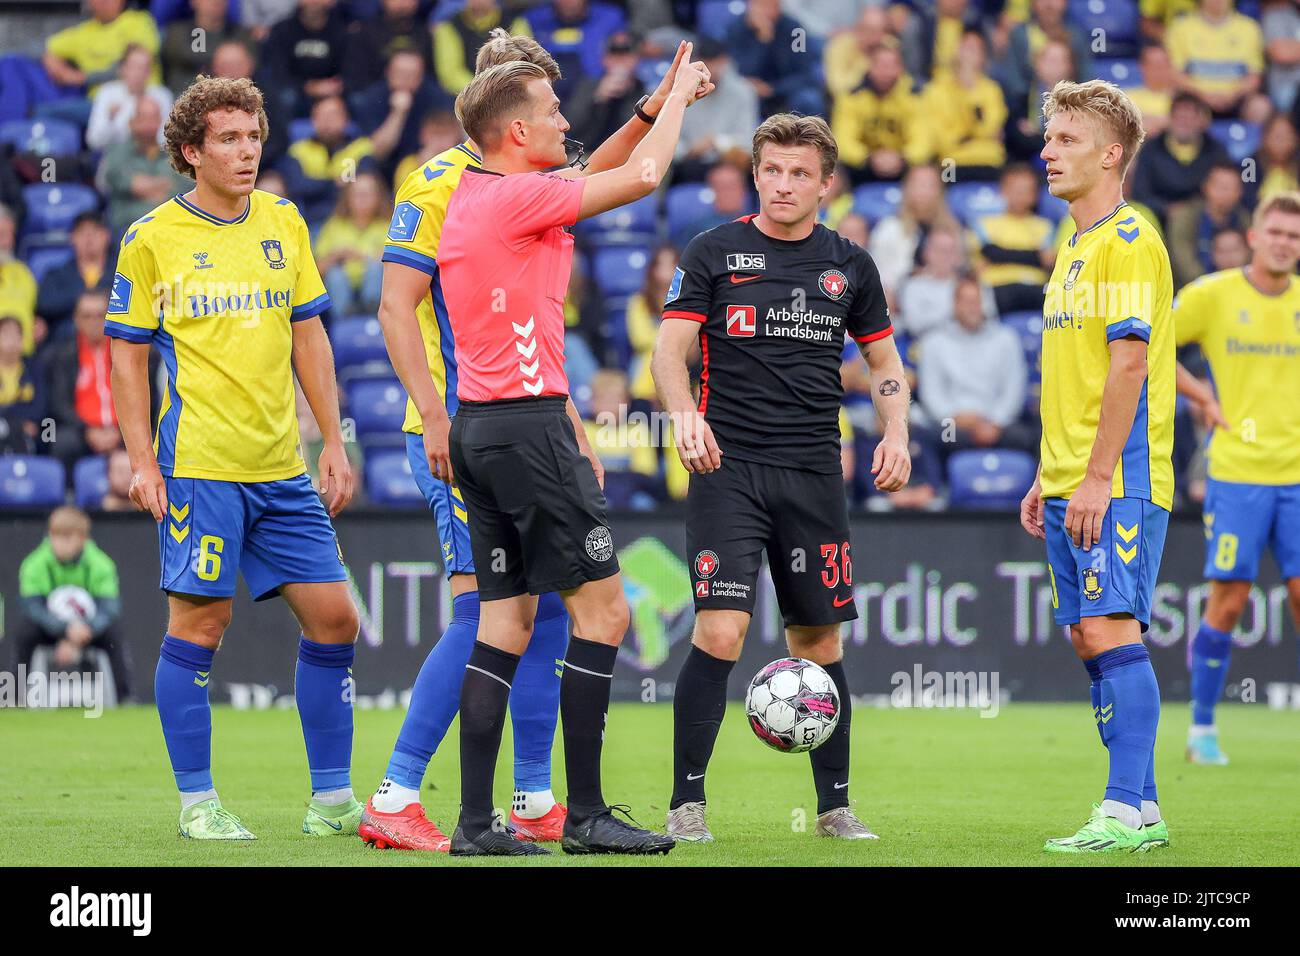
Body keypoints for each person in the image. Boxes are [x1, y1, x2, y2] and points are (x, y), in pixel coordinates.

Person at [369, 33, 710, 855]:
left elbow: (595, 170)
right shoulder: (501, 193)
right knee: (605, 609)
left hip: (491, 424)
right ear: (513, 127)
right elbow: (643, 177)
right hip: (515, 429)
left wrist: (655, 107)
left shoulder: (486, 188)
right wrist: (675, 113)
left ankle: (483, 820)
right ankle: (580, 814)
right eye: (552, 108)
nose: (566, 120)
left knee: (506, 624)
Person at [105, 75, 360, 841]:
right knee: (200, 627)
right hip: (200, 466)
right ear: (191, 152)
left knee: (337, 619)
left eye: (253, 137)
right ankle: (197, 805)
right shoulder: (151, 237)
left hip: (281, 466)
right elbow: (124, 358)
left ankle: (331, 802)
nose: (246, 152)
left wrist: (334, 440)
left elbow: (309, 335)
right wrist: (142, 461)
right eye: (228, 139)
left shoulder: (284, 220)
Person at [651, 114, 910, 843]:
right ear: (757, 173)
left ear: (826, 183)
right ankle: (686, 804)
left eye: (800, 173)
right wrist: (682, 417)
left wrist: (897, 432)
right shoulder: (714, 250)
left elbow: (885, 365)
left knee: (819, 646)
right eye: (772, 170)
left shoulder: (850, 265)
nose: (783, 184)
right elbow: (670, 353)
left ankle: (834, 808)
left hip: (813, 474)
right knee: (723, 630)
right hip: (726, 468)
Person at [1020, 78, 1175, 853]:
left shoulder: (1124, 240)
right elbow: (1077, 375)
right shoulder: (1074, 244)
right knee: (1089, 637)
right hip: (1072, 476)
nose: (1046, 151)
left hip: (1116, 481)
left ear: (1111, 154)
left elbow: (1128, 367)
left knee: (1111, 628)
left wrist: (1093, 476)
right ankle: (1142, 811)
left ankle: (1118, 809)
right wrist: (1048, 475)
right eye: (1048, 138)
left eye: (1066, 139)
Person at [1170, 192, 1300, 765]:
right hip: (1239, 472)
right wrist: (1201, 395)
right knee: (1228, 601)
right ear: (1253, 237)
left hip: (1296, 477)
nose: (1284, 243)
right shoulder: (1214, 295)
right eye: (1275, 232)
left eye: (1293, 237)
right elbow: (1148, 342)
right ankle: (1201, 729)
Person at [911, 274, 1032, 490]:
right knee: (930, 437)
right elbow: (932, 396)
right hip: (952, 423)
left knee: (1029, 436)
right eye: (966, 301)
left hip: (998, 423)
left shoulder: (1006, 339)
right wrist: (959, 418)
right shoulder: (933, 342)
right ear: (954, 304)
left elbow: (1014, 390)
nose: (972, 308)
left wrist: (993, 421)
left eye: (977, 301)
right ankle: (936, 495)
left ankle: (1034, 499)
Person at [15, 507, 133, 702]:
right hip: (51, 628)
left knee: (115, 635)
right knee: (25, 633)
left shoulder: (101, 564)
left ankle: (126, 698)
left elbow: (109, 608)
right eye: (55, 536)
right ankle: (15, 699)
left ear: (83, 539)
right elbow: (32, 607)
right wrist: (65, 629)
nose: (59, 544)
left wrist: (83, 632)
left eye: (67, 537)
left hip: (88, 629)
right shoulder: (34, 564)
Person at [96, 95, 190, 239]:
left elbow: (182, 187)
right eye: (144, 117)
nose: (149, 124)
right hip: (127, 229)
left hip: (168, 228)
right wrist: (159, 185)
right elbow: (113, 177)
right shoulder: (117, 151)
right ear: (132, 121)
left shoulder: (173, 153)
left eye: (153, 117)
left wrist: (145, 186)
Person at [48, 289, 122, 469]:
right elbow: (60, 403)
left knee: (154, 438)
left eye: (100, 315)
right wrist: (88, 430)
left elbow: (145, 396)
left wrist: (120, 430)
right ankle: (68, 495)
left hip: (124, 430)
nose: (94, 322)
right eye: (87, 316)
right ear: (76, 319)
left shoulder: (126, 352)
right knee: (61, 442)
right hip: (82, 431)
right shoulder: (63, 355)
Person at [975, 162, 1056, 314]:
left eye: (1027, 190)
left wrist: (1001, 254)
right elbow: (990, 253)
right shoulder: (986, 223)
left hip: (1035, 288)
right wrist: (1034, 256)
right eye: (1016, 190)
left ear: (1035, 194)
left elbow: (1048, 261)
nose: (1021, 195)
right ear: (1003, 190)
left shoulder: (1044, 226)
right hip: (998, 287)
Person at [314, 171, 389, 318]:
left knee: (376, 268)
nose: (362, 200)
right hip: (342, 295)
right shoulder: (334, 226)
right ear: (347, 198)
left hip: (376, 291)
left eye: (367, 194)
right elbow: (317, 269)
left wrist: (359, 255)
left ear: (378, 197)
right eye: (357, 194)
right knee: (335, 276)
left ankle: (372, 314)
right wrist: (336, 256)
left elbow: (395, 261)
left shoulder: (387, 226)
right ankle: (344, 322)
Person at [1166, 161, 1251, 289]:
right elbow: (1182, 260)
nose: (1225, 194)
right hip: (1193, 289)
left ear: (1240, 192)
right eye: (1221, 187)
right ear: (1206, 187)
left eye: (1232, 188)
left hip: (1239, 289)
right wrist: (1209, 287)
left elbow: (1253, 256)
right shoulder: (1186, 217)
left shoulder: (1245, 220)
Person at [35, 213, 114, 339]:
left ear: (107, 236)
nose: (89, 239)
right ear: (73, 238)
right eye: (82, 233)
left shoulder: (121, 273)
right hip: (65, 347)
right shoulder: (56, 275)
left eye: (95, 232)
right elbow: (44, 304)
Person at [86, 44, 173, 152]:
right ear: (123, 69)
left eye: (144, 67)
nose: (138, 73)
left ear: (150, 72)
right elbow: (94, 140)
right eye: (134, 67)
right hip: (115, 156)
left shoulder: (162, 95)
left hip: (152, 157)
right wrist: (109, 119)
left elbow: (167, 140)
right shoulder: (107, 93)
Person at [0, 314, 44, 454]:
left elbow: (41, 405)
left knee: (50, 430)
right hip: (12, 425)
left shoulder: (34, 367)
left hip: (30, 426)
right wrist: (16, 422)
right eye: (6, 334)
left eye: (16, 334)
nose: (12, 340)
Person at [0, 204, 38, 354]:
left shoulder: (23, 273)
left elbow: (32, 311)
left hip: (23, 359)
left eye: (10, 235)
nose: (5, 243)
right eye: (1, 234)